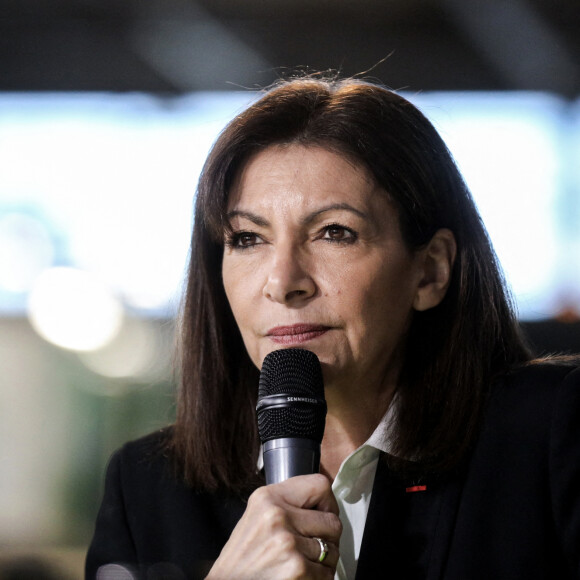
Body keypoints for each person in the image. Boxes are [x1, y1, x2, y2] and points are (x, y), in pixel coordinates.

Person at [85, 77, 580, 580]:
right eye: (248, 238)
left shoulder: (553, 430)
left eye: (333, 233)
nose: (282, 282)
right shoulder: (147, 486)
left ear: (430, 271)